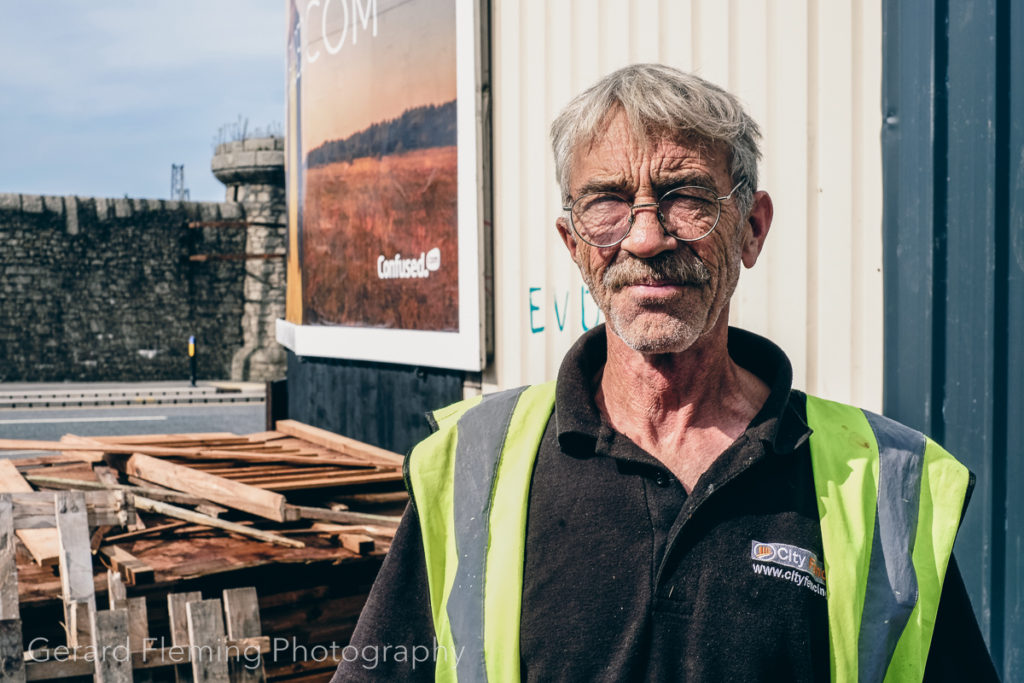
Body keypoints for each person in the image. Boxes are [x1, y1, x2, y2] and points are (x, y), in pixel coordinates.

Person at [331, 64, 998, 682]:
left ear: (753, 229)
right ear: (574, 245)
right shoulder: (472, 470)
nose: (646, 238)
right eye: (608, 203)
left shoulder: (880, 485)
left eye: (686, 198)